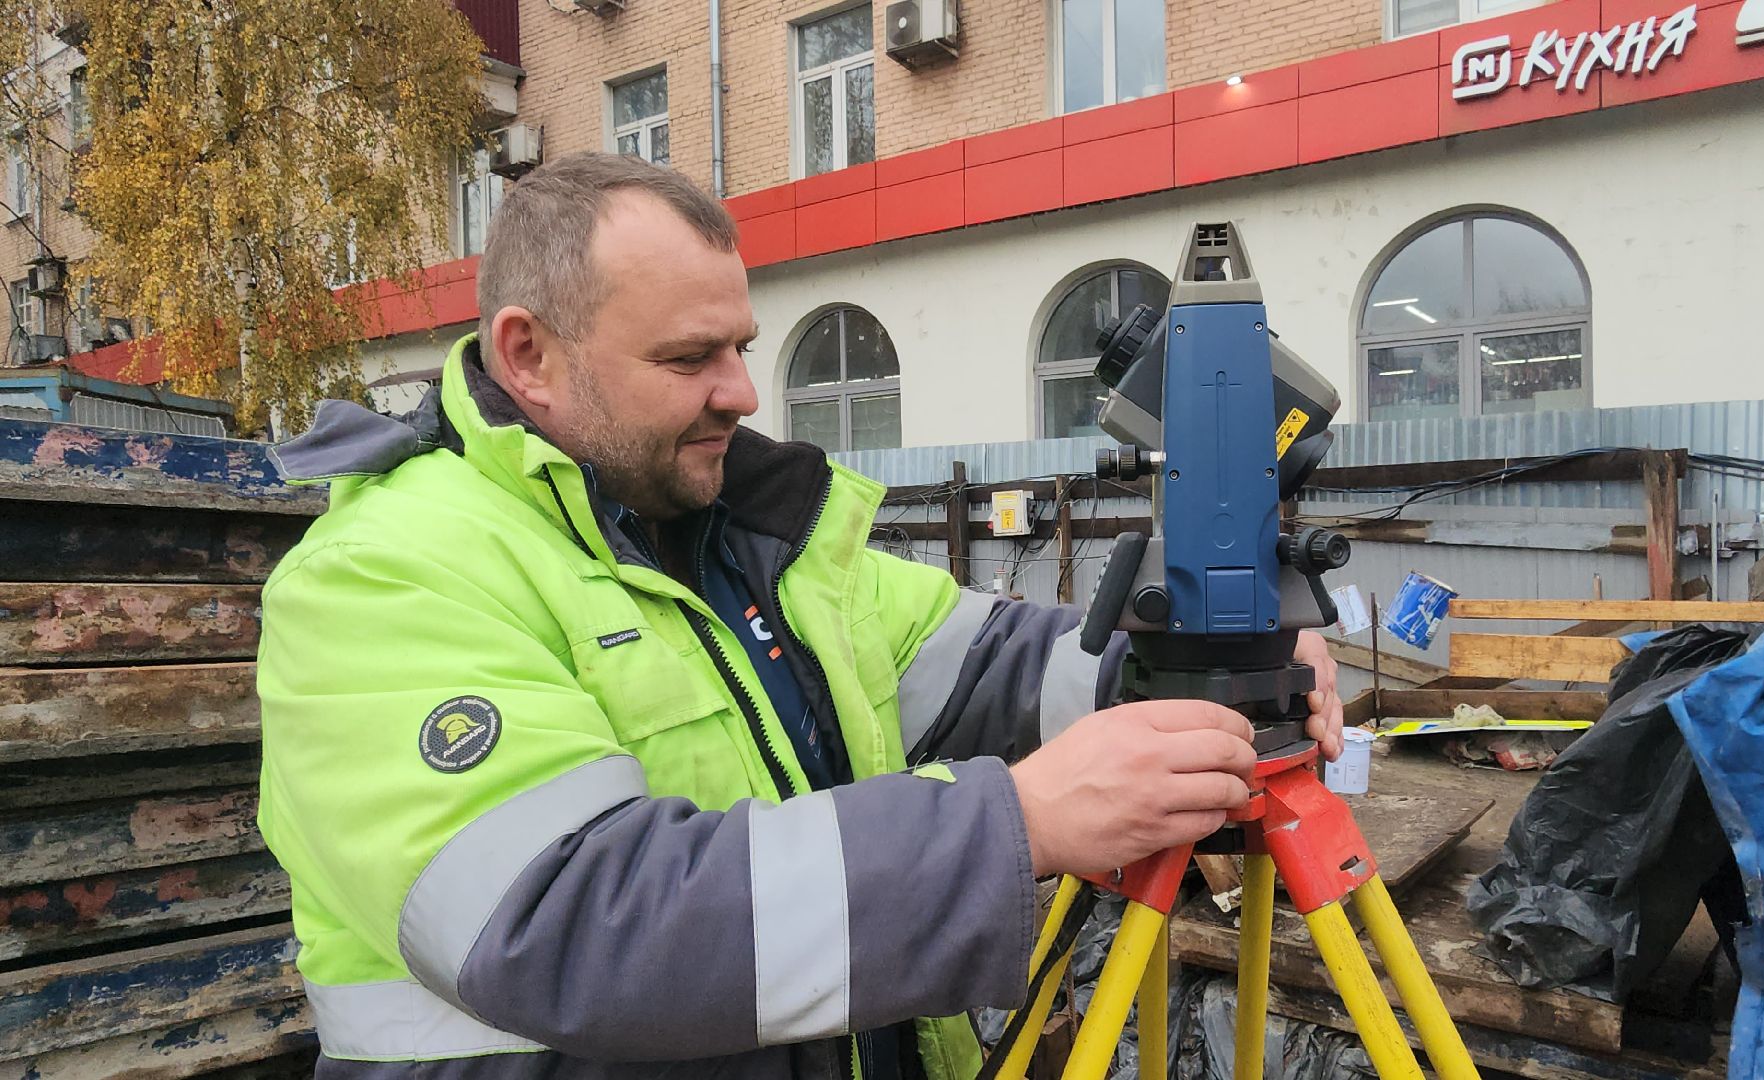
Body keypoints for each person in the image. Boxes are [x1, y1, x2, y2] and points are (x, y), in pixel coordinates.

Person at [257, 152, 1344, 1080]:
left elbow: (988, 667)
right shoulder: (384, 578)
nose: (741, 392)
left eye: (740, 345)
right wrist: (1012, 825)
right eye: (690, 358)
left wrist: (1200, 661)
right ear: (528, 354)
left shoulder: (746, 538)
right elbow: (575, 926)